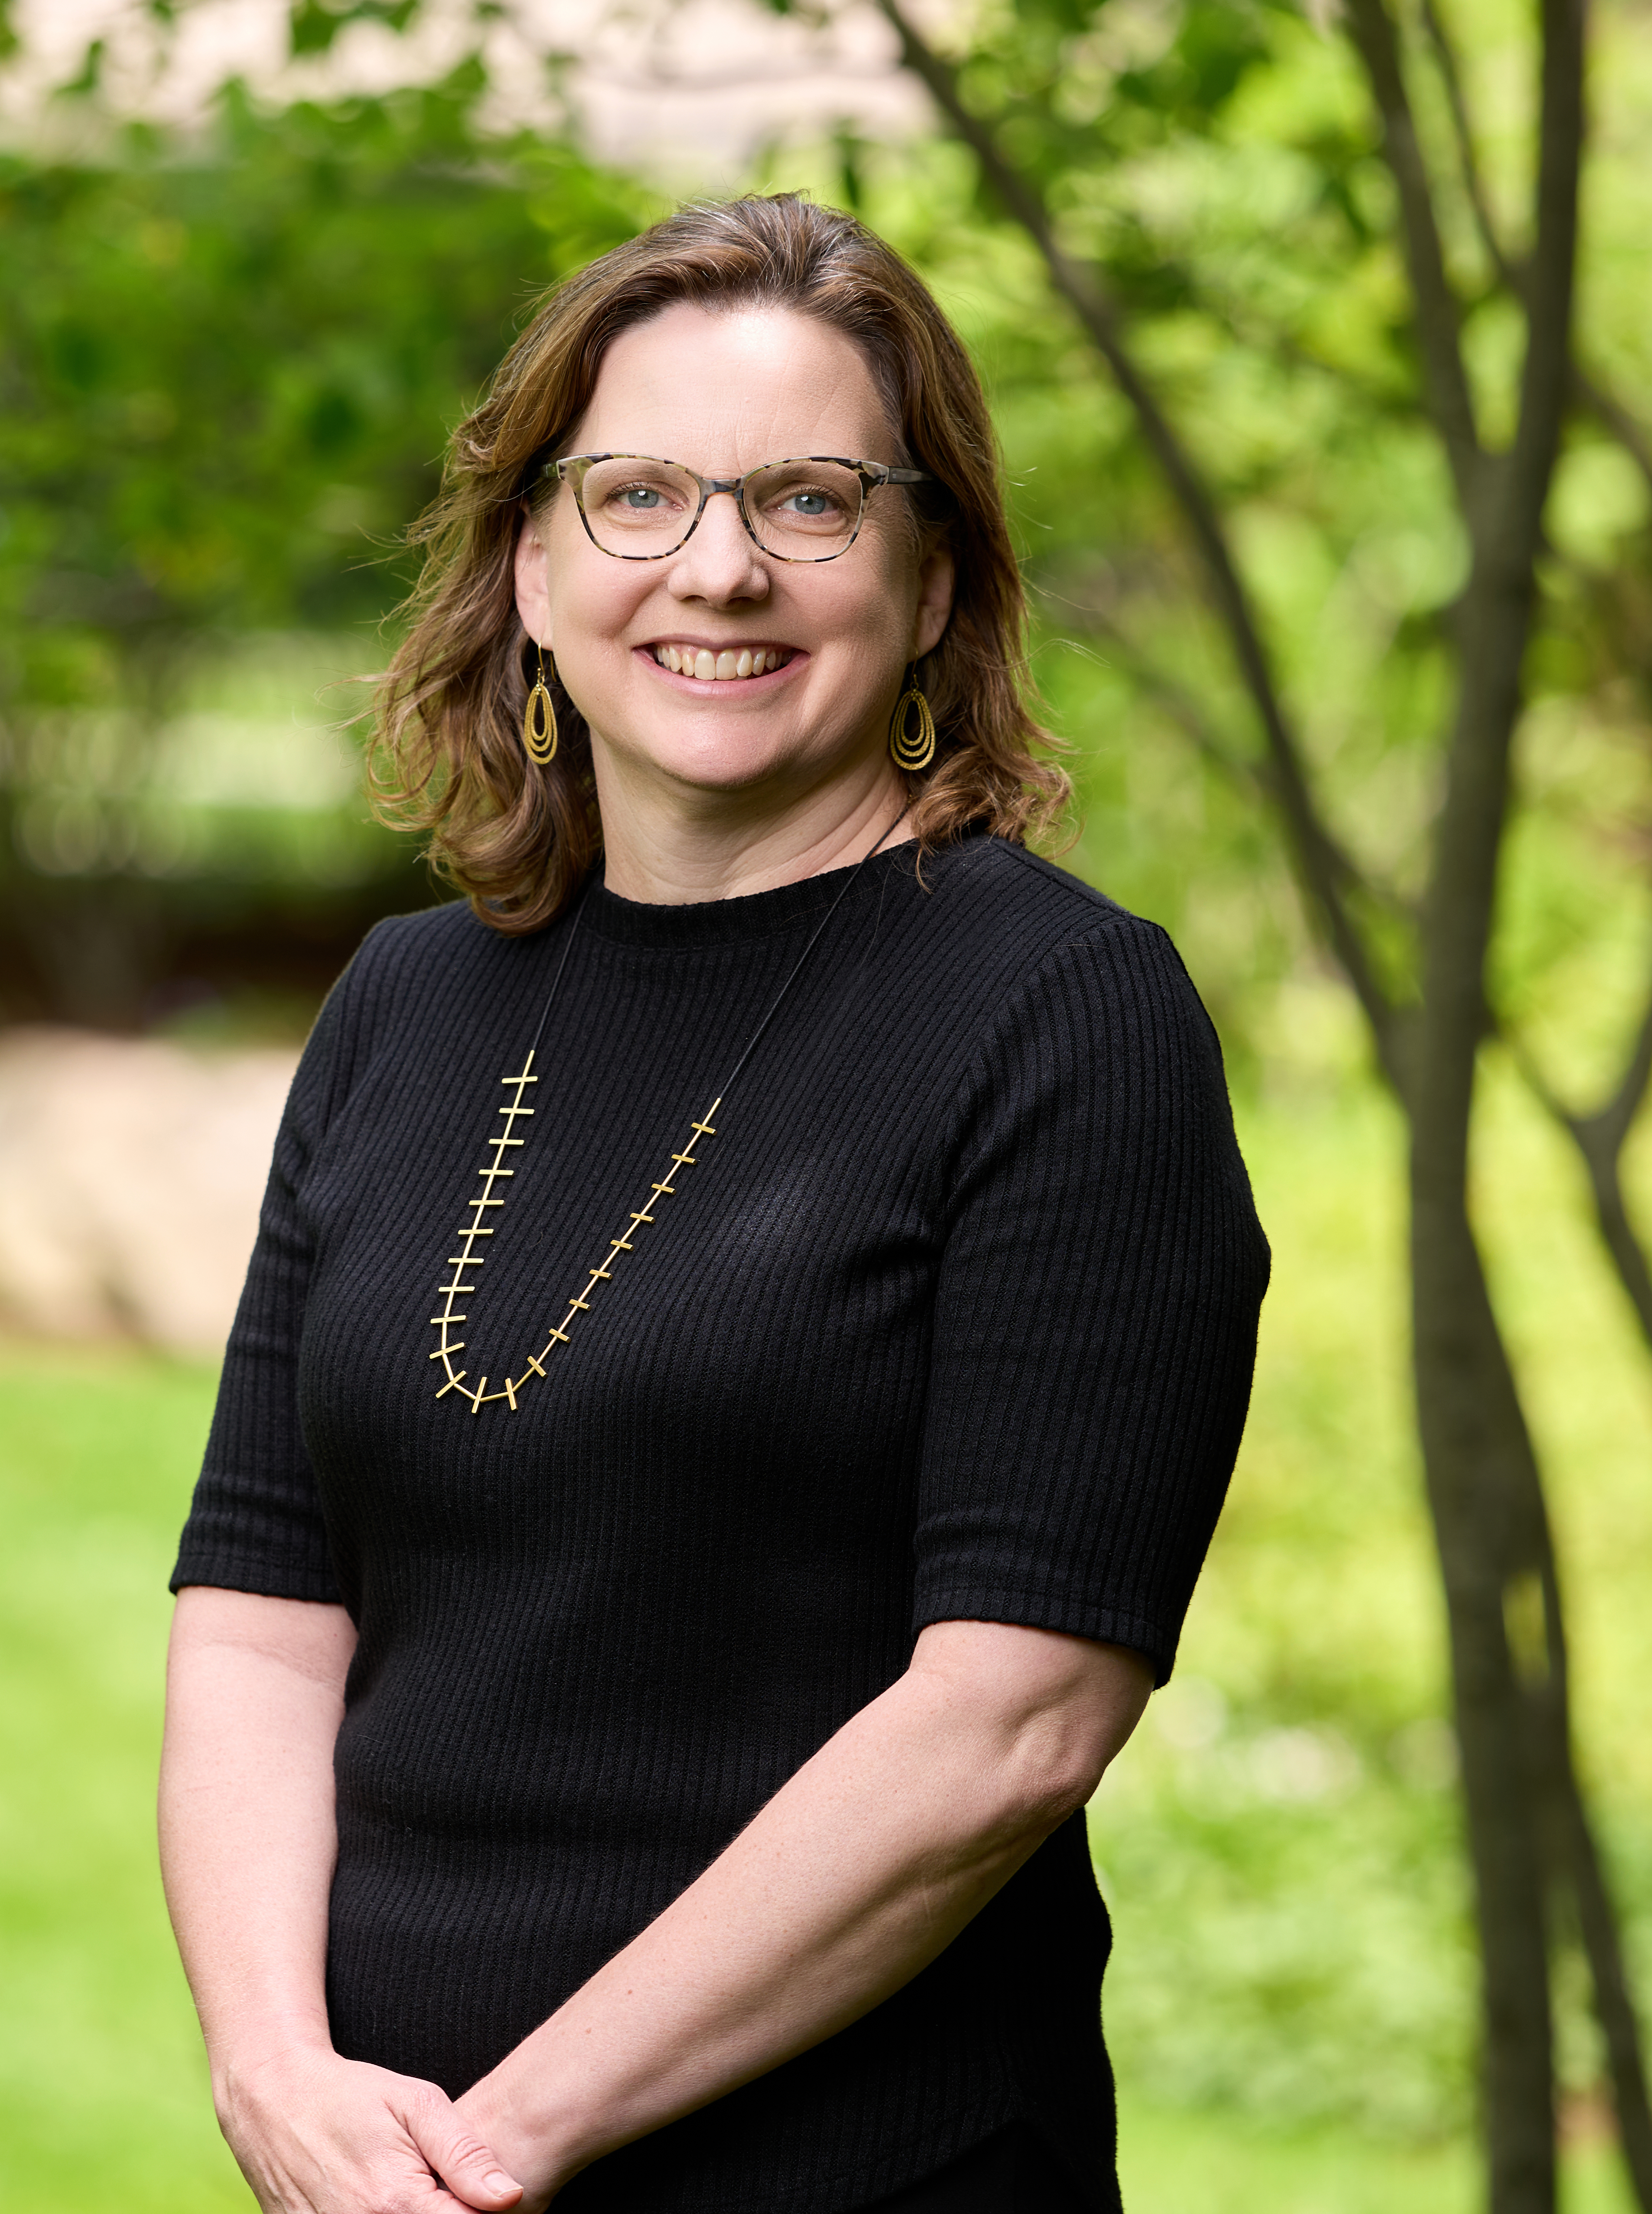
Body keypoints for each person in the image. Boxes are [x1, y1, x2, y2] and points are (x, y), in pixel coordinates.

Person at [159, 192, 1267, 2214]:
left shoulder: (1063, 1022)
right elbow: (257, 1603)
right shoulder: (406, 1005)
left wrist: (495, 2147)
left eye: (811, 501)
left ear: (933, 581)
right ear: (529, 559)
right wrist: (276, 2079)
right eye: (638, 493)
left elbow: (1010, 1720)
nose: (718, 569)